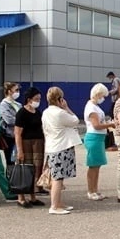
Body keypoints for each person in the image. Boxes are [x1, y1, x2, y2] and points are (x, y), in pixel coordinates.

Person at [41, 87, 80, 215]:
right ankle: (54, 206)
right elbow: (75, 120)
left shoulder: (46, 112)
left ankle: (58, 203)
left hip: (52, 146)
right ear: (60, 99)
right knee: (57, 179)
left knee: (59, 176)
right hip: (61, 147)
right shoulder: (60, 113)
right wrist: (66, 108)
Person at [13, 87, 46, 207]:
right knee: (25, 170)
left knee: (36, 169)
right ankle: (21, 197)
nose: (38, 101)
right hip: (26, 143)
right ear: (29, 99)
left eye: (39, 99)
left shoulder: (37, 112)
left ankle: (33, 196)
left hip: (38, 143)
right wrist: (20, 150)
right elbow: (17, 133)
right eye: (36, 99)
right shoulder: (21, 113)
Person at [83, 83, 112, 201]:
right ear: (97, 94)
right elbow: (96, 125)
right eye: (102, 96)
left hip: (98, 138)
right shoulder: (91, 107)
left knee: (97, 165)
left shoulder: (95, 106)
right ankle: (91, 191)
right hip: (93, 137)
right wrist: (111, 124)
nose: (103, 98)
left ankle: (95, 189)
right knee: (93, 166)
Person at [0, 81, 22, 167]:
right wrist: (20, 122)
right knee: (10, 160)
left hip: (19, 134)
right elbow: (8, 119)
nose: (17, 92)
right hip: (9, 135)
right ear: (9, 91)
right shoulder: (4, 104)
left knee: (18, 159)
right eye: (16, 90)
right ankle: (10, 178)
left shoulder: (18, 104)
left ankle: (17, 178)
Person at [105, 71, 120, 151]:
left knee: (111, 112)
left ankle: (114, 122)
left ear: (111, 75)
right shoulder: (116, 80)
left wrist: (109, 92)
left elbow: (117, 89)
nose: (109, 79)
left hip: (116, 99)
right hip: (115, 99)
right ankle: (115, 121)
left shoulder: (115, 80)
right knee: (112, 112)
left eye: (109, 77)